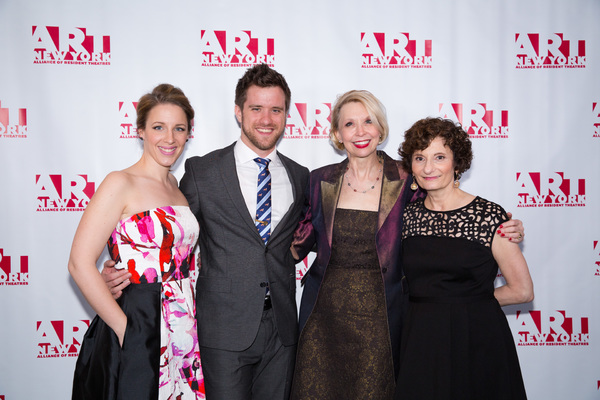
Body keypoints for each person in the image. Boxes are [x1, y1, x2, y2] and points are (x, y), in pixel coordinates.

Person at [289, 92, 524, 399]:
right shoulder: (318, 180)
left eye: (368, 121)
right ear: (337, 133)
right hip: (324, 320)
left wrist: (500, 226)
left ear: (380, 129)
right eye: (349, 123)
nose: (360, 131)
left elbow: (444, 213)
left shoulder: (408, 178)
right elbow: (297, 242)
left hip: (381, 321)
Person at [68, 84, 205, 399]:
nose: (169, 138)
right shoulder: (121, 182)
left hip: (183, 323)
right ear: (140, 130)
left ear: (188, 134)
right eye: (158, 127)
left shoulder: (177, 186)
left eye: (178, 128)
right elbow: (79, 263)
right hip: (140, 317)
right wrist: (124, 328)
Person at [394, 117, 533, 399]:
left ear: (457, 163)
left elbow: (522, 290)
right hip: (420, 339)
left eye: (439, 157)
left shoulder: (488, 215)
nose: (428, 167)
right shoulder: (405, 217)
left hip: (476, 337)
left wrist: (468, 302)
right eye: (420, 158)